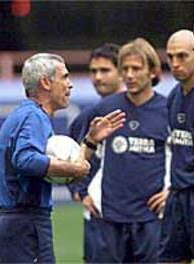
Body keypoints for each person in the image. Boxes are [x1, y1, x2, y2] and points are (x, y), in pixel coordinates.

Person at [0, 53, 125, 263]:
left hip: (14, 223)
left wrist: (90, 141)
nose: (70, 85)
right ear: (45, 82)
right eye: (65, 77)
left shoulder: (27, 114)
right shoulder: (34, 116)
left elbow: (60, 165)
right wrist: (73, 171)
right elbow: (25, 159)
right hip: (24, 223)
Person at [87, 38, 169, 263]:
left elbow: (184, 157)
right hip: (111, 217)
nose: (130, 75)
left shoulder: (168, 109)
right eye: (125, 69)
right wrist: (82, 190)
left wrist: (172, 191)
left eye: (136, 68)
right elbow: (84, 150)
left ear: (152, 71)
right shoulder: (106, 108)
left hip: (151, 218)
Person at [159, 29, 194, 263]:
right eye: (170, 57)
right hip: (177, 195)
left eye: (182, 56)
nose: (174, 63)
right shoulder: (173, 96)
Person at [66, 43, 124, 263]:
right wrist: (79, 191)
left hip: (138, 212)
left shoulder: (143, 112)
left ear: (122, 71)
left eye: (105, 70)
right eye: (93, 71)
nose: (98, 77)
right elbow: (70, 155)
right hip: (98, 214)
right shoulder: (86, 118)